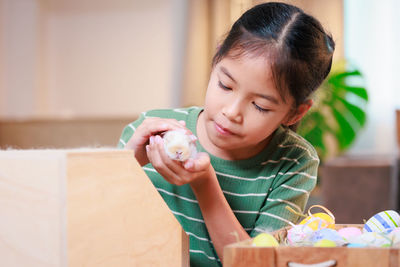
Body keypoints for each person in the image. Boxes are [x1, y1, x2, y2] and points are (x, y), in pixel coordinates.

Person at [118, 2, 334, 266]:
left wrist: (205, 185)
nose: (232, 112)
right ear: (216, 59)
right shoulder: (149, 132)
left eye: (260, 106)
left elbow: (254, 263)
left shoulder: (294, 162)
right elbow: (96, 228)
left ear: (295, 113)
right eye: (225, 85)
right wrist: (126, 165)